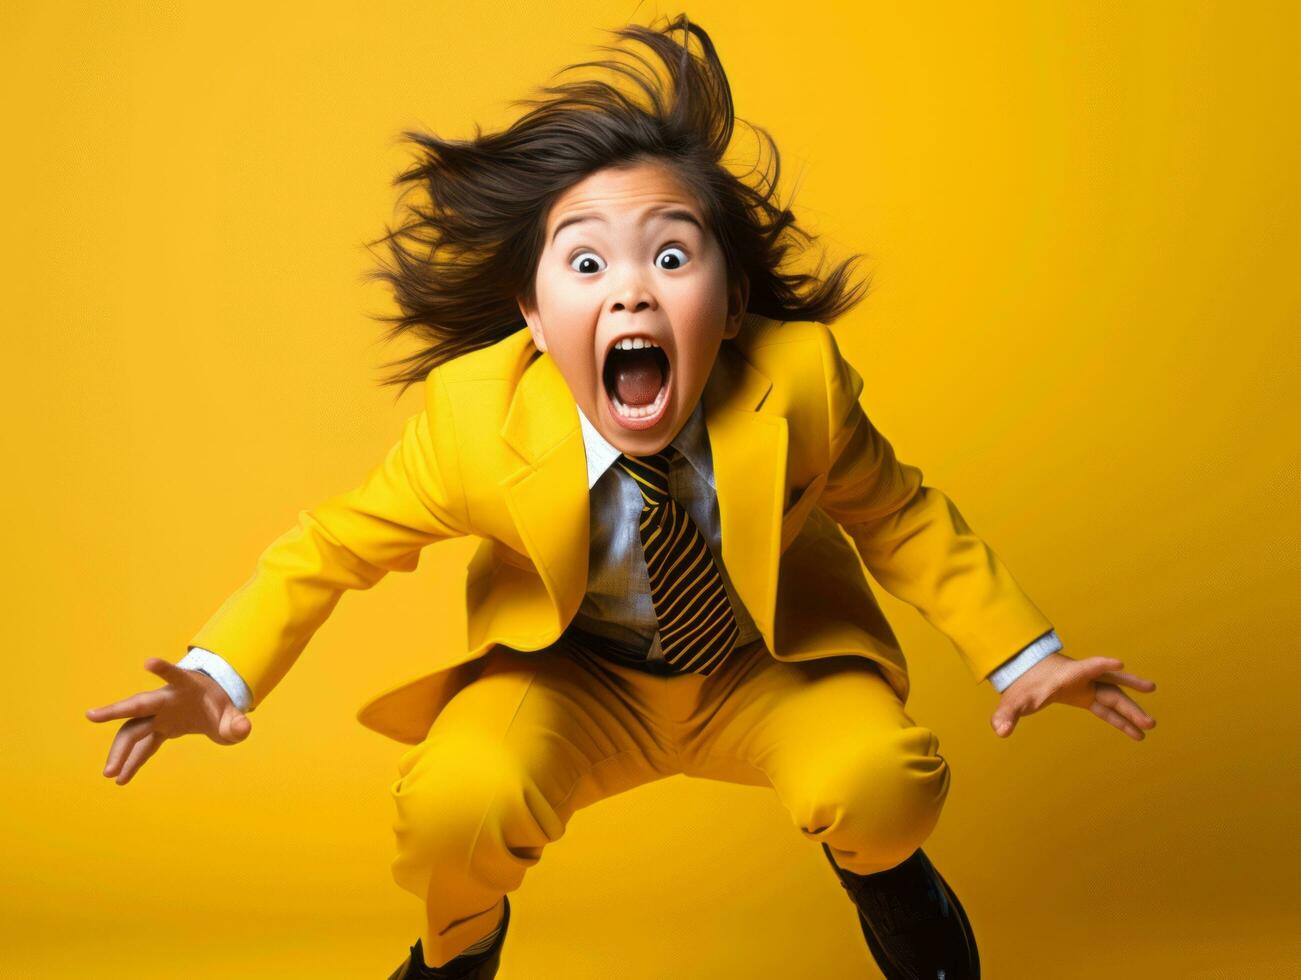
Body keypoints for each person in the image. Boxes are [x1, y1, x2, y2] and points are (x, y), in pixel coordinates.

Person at [86, 15, 1157, 979]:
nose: (631, 288)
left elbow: (901, 515)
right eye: (586, 261)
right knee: (453, 806)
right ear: (534, 317)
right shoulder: (474, 421)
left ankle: (897, 900)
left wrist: (1026, 655)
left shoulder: (799, 387)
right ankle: (458, 948)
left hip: (755, 667)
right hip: (574, 681)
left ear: (731, 302)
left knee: (885, 779)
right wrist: (214, 671)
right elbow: (331, 544)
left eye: (672, 255)